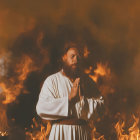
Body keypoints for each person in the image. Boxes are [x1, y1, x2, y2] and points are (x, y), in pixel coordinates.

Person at [36, 42, 104, 140]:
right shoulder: (52, 81)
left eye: (78, 57)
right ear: (64, 58)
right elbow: (41, 108)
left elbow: (101, 107)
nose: (76, 59)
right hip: (60, 134)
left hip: (83, 133)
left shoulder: (88, 82)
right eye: (72, 56)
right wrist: (69, 100)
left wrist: (83, 101)